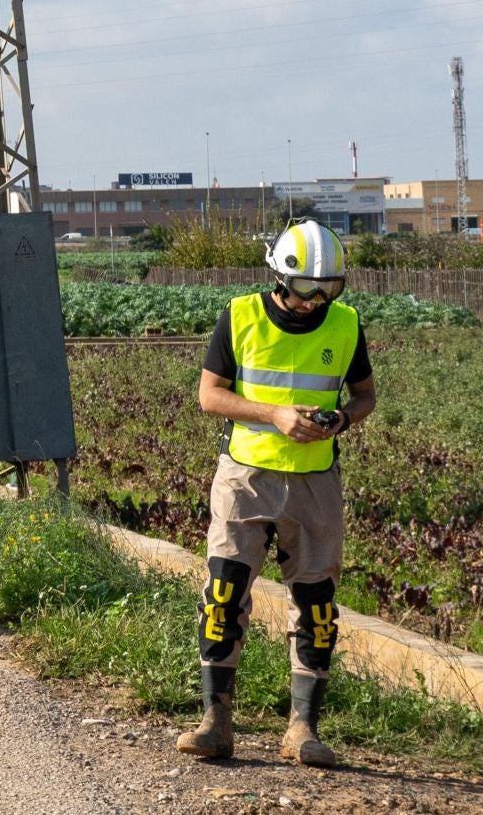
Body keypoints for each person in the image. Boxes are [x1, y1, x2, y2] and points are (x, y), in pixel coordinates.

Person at [176, 219, 376, 767]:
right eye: (307, 289)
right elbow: (210, 396)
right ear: (281, 277)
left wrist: (340, 421)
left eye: (329, 290)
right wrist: (274, 415)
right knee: (224, 594)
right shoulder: (239, 317)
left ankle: (303, 729)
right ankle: (216, 721)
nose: (316, 302)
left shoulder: (346, 326)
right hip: (246, 477)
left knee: (316, 606)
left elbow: (365, 397)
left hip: (315, 483)